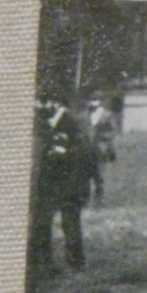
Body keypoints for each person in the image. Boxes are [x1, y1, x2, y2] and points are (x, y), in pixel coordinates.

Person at [29, 92, 97, 272]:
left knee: (62, 222)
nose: (38, 107)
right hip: (58, 183)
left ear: (54, 102)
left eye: (41, 103)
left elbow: (83, 153)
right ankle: (61, 263)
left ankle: (67, 262)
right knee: (55, 223)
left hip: (63, 183)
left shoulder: (68, 124)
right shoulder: (53, 124)